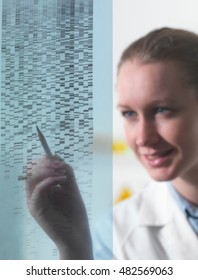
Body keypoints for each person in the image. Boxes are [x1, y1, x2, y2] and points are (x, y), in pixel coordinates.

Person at [26, 27, 198, 260]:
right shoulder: (114, 237)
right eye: (129, 114)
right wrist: (74, 251)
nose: (143, 138)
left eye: (161, 110)